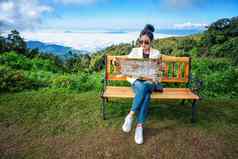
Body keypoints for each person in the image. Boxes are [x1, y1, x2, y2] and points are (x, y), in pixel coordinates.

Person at [122, 24, 162, 144]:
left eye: (146, 42)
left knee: (145, 87)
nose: (143, 45)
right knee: (145, 94)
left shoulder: (156, 53)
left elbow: (158, 72)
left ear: (151, 42)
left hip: (150, 82)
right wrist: (127, 65)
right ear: (139, 41)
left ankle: (130, 115)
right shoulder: (134, 51)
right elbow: (126, 65)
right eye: (141, 42)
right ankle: (139, 127)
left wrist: (160, 68)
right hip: (137, 81)